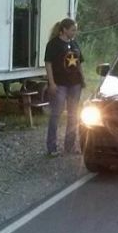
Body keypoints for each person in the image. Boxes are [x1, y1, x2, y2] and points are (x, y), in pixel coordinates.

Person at [44, 18, 85, 157]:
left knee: (73, 115)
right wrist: (52, 83)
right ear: (64, 30)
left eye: (75, 29)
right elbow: (48, 64)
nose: (75, 32)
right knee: (56, 114)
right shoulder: (53, 44)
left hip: (75, 84)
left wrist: (82, 79)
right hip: (60, 84)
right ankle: (52, 147)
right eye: (73, 29)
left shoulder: (74, 44)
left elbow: (79, 62)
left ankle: (70, 145)